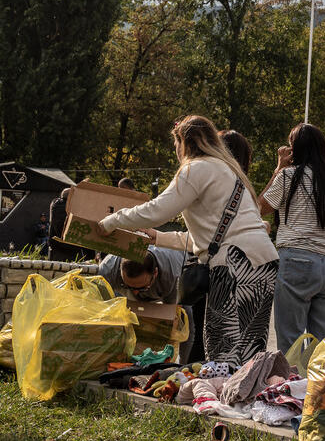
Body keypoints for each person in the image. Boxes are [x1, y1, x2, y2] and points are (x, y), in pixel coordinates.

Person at [98, 114, 278, 367]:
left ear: (183, 141)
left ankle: (221, 403)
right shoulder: (228, 171)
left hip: (235, 265)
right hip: (263, 262)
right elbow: (209, 239)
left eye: (176, 145)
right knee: (250, 347)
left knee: (222, 347)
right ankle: (247, 398)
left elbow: (157, 209)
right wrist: (159, 237)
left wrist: (112, 221)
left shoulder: (196, 168)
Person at [258, 123, 325, 350]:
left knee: (291, 339)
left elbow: (259, 207)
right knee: (323, 341)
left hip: (295, 259)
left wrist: (278, 168)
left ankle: (291, 382)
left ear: (295, 149)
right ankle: (319, 384)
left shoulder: (287, 176)